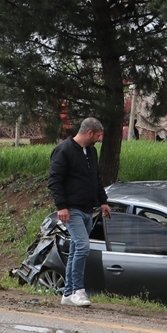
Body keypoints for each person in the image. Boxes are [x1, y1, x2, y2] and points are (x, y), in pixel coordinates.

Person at [48, 117, 111, 307]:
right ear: (90, 132)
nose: (99, 139)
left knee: (76, 248)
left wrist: (103, 201)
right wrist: (61, 206)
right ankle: (78, 291)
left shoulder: (91, 152)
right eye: (98, 135)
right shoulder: (64, 150)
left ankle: (67, 294)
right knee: (83, 247)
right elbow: (54, 181)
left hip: (87, 209)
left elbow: (96, 179)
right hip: (72, 209)